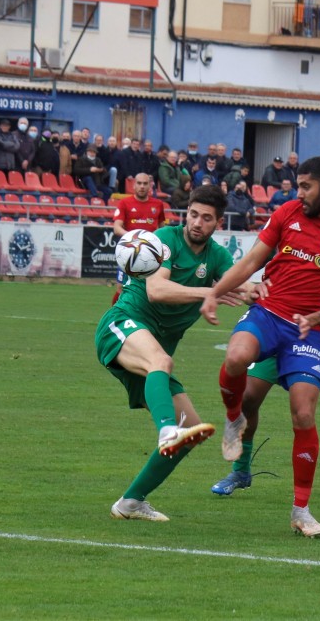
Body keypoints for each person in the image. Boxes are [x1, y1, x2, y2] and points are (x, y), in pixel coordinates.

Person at [200, 156, 320, 538]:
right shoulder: (288, 213)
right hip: (268, 313)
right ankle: (234, 421)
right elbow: (250, 262)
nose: (298, 193)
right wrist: (215, 293)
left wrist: (317, 318)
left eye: (306, 186)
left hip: (309, 331)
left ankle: (301, 510)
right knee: (236, 357)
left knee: (304, 414)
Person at [96, 185, 245, 522]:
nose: (197, 222)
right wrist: (212, 291)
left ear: (217, 223)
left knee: (190, 431)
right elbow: (157, 289)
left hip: (150, 348)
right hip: (123, 325)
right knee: (161, 363)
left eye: (206, 218)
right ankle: (165, 428)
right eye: (193, 214)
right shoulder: (165, 238)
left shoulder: (218, 257)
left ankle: (131, 502)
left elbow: (243, 283)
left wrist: (257, 290)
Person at [109, 172, 167, 304]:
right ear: (134, 185)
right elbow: (117, 228)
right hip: (129, 252)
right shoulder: (125, 203)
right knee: (121, 288)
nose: (142, 186)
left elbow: (162, 228)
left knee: (151, 289)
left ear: (150, 186)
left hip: (150, 254)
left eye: (145, 183)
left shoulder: (158, 204)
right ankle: (115, 317)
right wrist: (135, 240)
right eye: (139, 183)